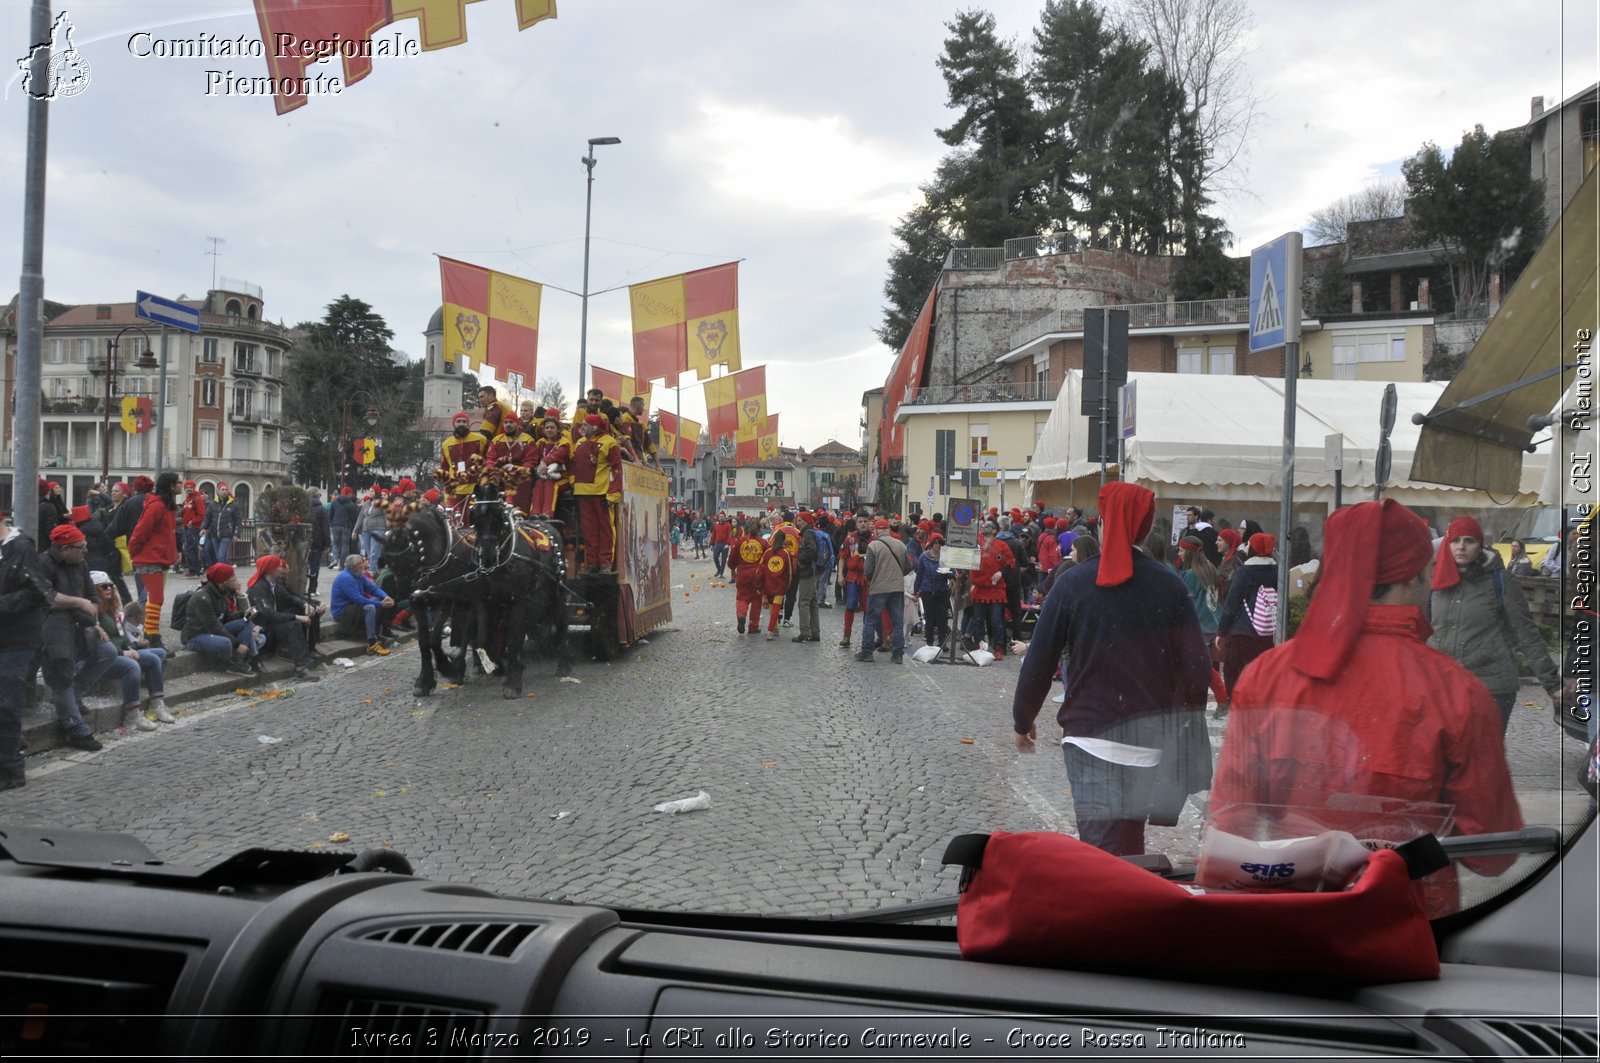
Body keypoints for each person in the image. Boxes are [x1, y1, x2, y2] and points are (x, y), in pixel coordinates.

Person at [1210, 499, 1524, 918]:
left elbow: (1232, 826)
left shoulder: (1265, 676)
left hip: (1290, 920)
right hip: (1410, 926)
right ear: (1413, 576)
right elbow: (1492, 854)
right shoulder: (1459, 693)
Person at [1012, 482, 1212, 857]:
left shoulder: (1072, 583)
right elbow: (1197, 671)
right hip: (1147, 740)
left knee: (1104, 854)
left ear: (1102, 523)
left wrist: (1023, 720)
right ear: (1147, 528)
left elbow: (1040, 658)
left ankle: (1113, 911)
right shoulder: (1170, 585)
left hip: (1090, 736)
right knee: (1125, 844)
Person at [1429, 516, 1562, 732]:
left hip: (1491, 686)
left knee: (1483, 759)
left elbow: (1527, 635)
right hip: (1443, 686)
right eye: (1456, 541)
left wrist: (1553, 684)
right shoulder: (1434, 579)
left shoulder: (1500, 581)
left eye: (1469, 541)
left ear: (1480, 545)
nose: (1461, 546)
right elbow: (1424, 630)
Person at [1, 511, 75, 786]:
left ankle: (10, 770)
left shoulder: (20, 549)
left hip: (15, 639)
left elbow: (38, 593)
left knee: (6, 705)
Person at [36, 523, 116, 752]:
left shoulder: (80, 563)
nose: (85, 551)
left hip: (80, 625)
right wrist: (79, 603)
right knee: (60, 674)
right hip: (51, 627)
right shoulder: (42, 564)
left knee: (107, 652)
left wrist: (95, 620)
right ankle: (76, 729)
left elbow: (91, 596)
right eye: (81, 547)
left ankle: (76, 693)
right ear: (64, 548)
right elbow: (47, 597)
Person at [91, 571, 173, 730]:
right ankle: (132, 716)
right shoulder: (93, 611)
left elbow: (119, 638)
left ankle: (157, 703)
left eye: (111, 585)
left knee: (156, 655)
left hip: (117, 652)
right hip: (101, 658)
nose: (109, 589)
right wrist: (124, 653)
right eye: (104, 586)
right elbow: (95, 644)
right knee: (133, 665)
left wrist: (134, 646)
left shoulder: (110, 609)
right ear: (94, 589)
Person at [1216, 531, 1279, 697]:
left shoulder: (1244, 572)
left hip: (1244, 631)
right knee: (1264, 671)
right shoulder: (1277, 571)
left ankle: (1237, 703)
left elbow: (1232, 603)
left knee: (1231, 669)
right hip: (1269, 632)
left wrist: (1222, 631)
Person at [247, 555, 326, 681]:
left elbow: (290, 598)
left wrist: (306, 605)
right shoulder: (258, 588)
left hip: (273, 622)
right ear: (271, 569)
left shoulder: (274, 584)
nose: (281, 569)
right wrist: (297, 617)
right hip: (265, 627)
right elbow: (270, 615)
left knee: (310, 611)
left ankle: (310, 649)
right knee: (293, 625)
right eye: (278, 566)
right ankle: (301, 668)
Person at [181, 563, 266, 675]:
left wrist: (243, 615)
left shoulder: (221, 593)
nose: (236, 579)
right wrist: (237, 645)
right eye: (233, 577)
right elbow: (214, 627)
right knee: (226, 643)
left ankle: (242, 661)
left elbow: (225, 617)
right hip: (196, 636)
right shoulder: (203, 598)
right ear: (224, 580)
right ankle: (234, 662)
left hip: (214, 631)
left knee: (247, 624)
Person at [128, 471, 180, 649]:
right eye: (178, 483)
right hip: (149, 558)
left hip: (159, 559)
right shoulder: (157, 507)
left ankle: (151, 636)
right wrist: (134, 553)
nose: (181, 486)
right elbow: (141, 531)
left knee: (155, 600)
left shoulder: (165, 506)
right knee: (155, 600)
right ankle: (152, 638)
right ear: (171, 486)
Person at [571, 413, 622, 572]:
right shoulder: (579, 443)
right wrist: (573, 483)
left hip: (601, 493)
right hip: (582, 493)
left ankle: (605, 563)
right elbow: (574, 465)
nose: (582, 428)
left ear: (594, 427)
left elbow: (616, 470)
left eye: (585, 425)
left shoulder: (610, 443)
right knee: (589, 530)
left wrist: (613, 494)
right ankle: (592, 563)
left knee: (605, 530)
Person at [857, 518, 912, 664]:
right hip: (897, 587)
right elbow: (908, 567)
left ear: (875, 531)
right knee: (897, 621)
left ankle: (867, 652)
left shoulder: (873, 546)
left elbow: (868, 571)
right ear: (888, 530)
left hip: (879, 588)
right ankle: (897, 654)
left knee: (870, 620)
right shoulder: (901, 545)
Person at [330, 554, 395, 655]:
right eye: (362, 563)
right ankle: (372, 644)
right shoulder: (346, 578)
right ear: (355, 567)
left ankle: (375, 634)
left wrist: (386, 597)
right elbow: (358, 599)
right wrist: (380, 604)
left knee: (379, 601)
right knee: (370, 607)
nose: (364, 565)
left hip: (353, 607)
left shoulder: (359, 575)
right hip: (342, 612)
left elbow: (372, 588)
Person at [967, 522, 1013, 660]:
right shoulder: (975, 543)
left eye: (988, 525)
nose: (984, 527)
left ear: (994, 530)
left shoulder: (1002, 545)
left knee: (996, 621)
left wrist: (1001, 572)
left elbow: (1010, 563)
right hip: (979, 588)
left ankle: (998, 647)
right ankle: (979, 646)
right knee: (978, 620)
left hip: (996, 589)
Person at [440, 411, 491, 520]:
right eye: (458, 421)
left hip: (476, 489)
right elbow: (444, 468)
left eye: (464, 421)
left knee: (475, 521)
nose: (461, 424)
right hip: (455, 491)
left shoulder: (481, 439)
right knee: (456, 523)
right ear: (454, 424)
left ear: (468, 424)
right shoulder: (446, 444)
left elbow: (490, 459)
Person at [530, 411, 576, 528]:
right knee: (539, 483)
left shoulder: (564, 442)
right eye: (547, 428)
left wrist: (544, 462)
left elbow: (559, 455)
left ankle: (547, 514)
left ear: (558, 429)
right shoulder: (540, 442)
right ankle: (535, 513)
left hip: (563, 477)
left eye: (552, 427)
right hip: (543, 475)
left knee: (551, 485)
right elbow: (534, 457)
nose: (549, 430)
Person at [487, 413, 538, 514]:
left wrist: (517, 471)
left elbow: (531, 461)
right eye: (505, 423)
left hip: (519, 475)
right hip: (500, 474)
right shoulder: (497, 440)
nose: (508, 425)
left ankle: (520, 515)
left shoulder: (528, 440)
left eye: (511, 422)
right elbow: (490, 459)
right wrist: (493, 469)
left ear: (517, 424)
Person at [913, 533, 952, 649]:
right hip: (927, 590)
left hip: (942, 590)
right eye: (936, 543)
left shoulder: (945, 557)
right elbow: (919, 574)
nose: (938, 546)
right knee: (929, 617)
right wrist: (916, 590)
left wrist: (947, 574)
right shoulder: (924, 557)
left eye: (940, 543)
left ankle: (942, 642)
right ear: (931, 543)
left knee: (942, 618)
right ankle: (929, 643)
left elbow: (952, 573)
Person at [731, 521, 766, 635]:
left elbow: (732, 558)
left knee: (742, 597)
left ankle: (741, 615)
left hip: (743, 574)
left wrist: (733, 567)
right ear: (759, 530)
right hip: (757, 574)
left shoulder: (741, 541)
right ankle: (753, 626)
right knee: (756, 600)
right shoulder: (763, 543)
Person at [757, 529, 793, 640]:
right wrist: (787, 586)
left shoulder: (767, 552)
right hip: (780, 584)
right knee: (776, 606)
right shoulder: (786, 553)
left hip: (768, 584)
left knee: (772, 607)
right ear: (784, 540)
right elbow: (790, 572)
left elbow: (760, 570)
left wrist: (759, 585)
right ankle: (770, 630)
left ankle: (774, 627)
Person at [791, 511, 820, 644]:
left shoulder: (808, 534)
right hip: (813, 571)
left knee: (803, 602)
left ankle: (805, 632)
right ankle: (815, 632)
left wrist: (801, 560)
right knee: (813, 603)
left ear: (807, 521)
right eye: (797, 520)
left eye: (800, 520)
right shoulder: (811, 532)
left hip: (807, 572)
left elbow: (811, 550)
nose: (798, 522)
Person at [306, 487, 331, 595]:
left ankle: (301, 588)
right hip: (317, 541)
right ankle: (312, 589)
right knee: (314, 566)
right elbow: (325, 529)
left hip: (303, 540)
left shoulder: (303, 508)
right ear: (317, 496)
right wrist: (327, 543)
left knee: (303, 565)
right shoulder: (321, 509)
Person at [355, 489, 388, 569]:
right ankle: (374, 570)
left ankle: (372, 572)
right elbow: (360, 517)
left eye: (372, 491)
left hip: (378, 529)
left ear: (377, 493)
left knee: (374, 553)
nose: (370, 493)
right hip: (365, 530)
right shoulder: (366, 504)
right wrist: (355, 530)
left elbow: (386, 517)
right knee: (369, 553)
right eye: (370, 491)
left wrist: (388, 530)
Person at [179, 481, 207, 576]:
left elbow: (202, 514)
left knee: (189, 548)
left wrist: (193, 521)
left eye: (190, 487)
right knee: (190, 548)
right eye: (187, 487)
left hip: (193, 528)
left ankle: (193, 569)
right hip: (186, 527)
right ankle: (195, 569)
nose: (188, 489)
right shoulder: (186, 501)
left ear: (193, 488)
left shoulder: (197, 499)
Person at [211, 483, 241, 566]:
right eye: (222, 489)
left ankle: (222, 575)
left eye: (226, 489)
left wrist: (237, 534)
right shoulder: (213, 504)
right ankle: (227, 572)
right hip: (214, 534)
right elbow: (207, 518)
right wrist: (204, 528)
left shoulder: (234, 505)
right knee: (220, 557)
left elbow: (238, 521)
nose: (225, 491)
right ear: (217, 491)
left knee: (221, 556)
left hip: (227, 534)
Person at [329, 485, 359, 569]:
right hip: (346, 526)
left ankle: (335, 559)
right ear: (349, 493)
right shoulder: (351, 504)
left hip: (335, 525)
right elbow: (354, 517)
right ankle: (342, 564)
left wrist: (332, 523)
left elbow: (330, 514)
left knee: (335, 543)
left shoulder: (335, 502)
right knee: (345, 545)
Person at [710, 513, 733, 579]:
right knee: (715, 557)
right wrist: (711, 544)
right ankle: (719, 569)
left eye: (723, 517)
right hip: (717, 543)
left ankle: (721, 573)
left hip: (725, 544)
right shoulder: (716, 526)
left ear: (725, 518)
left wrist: (728, 544)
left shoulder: (728, 525)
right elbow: (713, 535)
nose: (721, 518)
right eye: (720, 517)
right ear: (718, 518)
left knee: (723, 560)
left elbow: (729, 535)